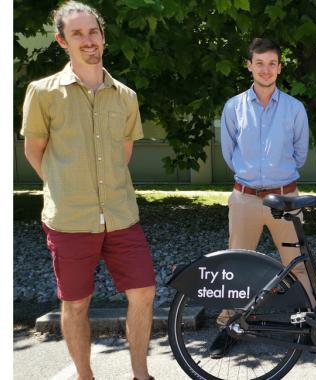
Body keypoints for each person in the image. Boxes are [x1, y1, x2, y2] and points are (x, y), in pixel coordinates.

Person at [20, 2, 156, 380]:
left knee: (144, 292)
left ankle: (141, 375)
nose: (88, 40)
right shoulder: (43, 93)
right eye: (77, 33)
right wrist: (66, 185)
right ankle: (85, 376)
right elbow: (35, 151)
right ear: (61, 40)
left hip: (121, 215)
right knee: (76, 303)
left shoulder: (125, 96)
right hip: (70, 219)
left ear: (103, 36)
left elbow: (122, 154)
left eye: (93, 31)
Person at [211, 37, 313, 358]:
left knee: (296, 264)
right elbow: (231, 154)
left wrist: (276, 181)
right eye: (260, 63)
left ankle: (309, 324)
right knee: (236, 264)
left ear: (279, 67)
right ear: (249, 66)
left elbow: (299, 154)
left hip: (286, 198)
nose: (266, 70)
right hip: (245, 199)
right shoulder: (233, 107)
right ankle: (229, 326)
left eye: (272, 63)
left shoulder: (295, 109)